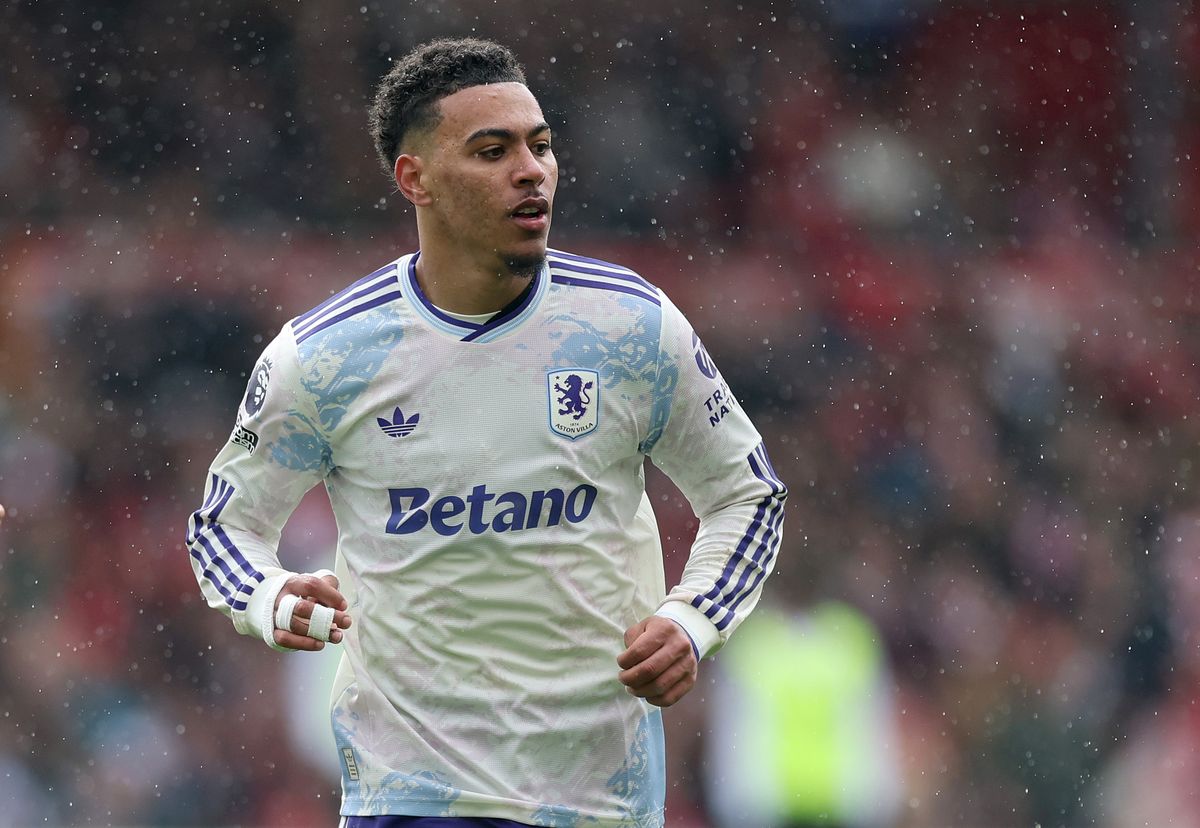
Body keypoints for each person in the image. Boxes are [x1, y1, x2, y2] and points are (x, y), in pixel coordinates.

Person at [185, 37, 786, 828]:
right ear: (415, 178)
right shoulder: (325, 359)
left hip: (595, 797)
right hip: (410, 793)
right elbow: (223, 527)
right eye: (492, 150)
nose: (531, 170)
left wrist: (692, 619)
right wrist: (268, 597)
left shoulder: (630, 328)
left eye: (541, 146)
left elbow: (747, 495)